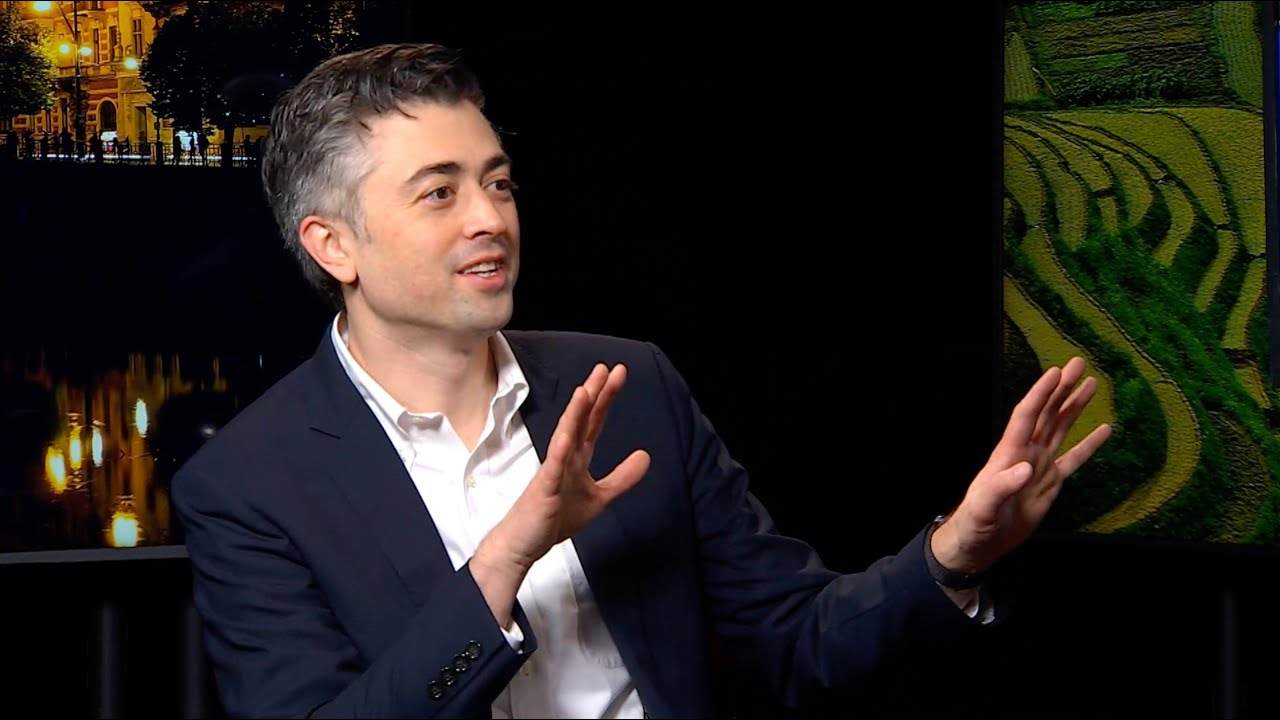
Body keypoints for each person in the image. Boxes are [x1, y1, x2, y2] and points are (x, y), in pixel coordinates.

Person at [171, 42, 1112, 719]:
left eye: (498, 182)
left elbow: (798, 639)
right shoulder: (247, 483)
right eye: (440, 192)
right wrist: (507, 557)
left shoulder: (630, 385)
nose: (489, 217)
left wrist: (953, 553)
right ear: (333, 245)